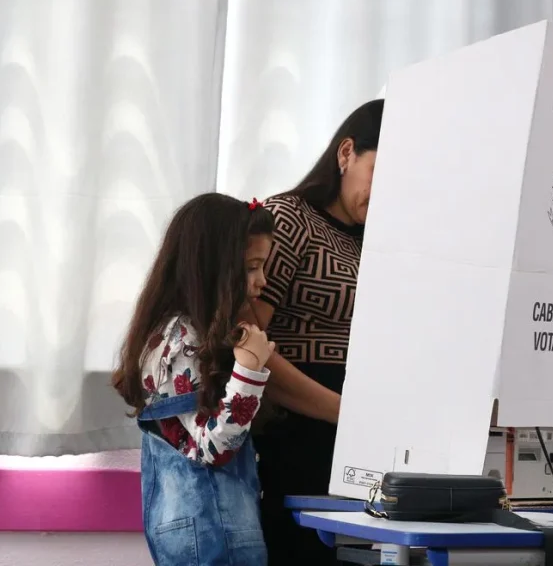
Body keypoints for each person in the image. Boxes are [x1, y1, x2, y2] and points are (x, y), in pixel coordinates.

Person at [249, 99, 384, 566]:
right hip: (301, 429)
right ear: (346, 153)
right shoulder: (289, 218)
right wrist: (338, 410)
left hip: (357, 431)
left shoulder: (375, 240)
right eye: (379, 173)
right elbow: (246, 339)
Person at [111, 193, 276, 566]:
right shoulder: (181, 338)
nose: (262, 280)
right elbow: (209, 448)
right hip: (212, 533)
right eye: (252, 267)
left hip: (212, 531)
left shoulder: (180, 333)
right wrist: (249, 369)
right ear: (212, 267)